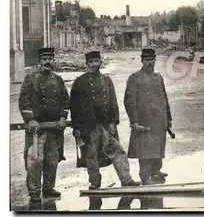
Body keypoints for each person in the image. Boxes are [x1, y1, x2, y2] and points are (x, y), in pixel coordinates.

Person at [69, 51, 141, 189]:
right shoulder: (79, 82)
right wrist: (77, 127)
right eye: (90, 62)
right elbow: (74, 106)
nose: (93, 65)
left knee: (117, 151)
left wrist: (114, 122)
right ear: (86, 64)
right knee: (91, 155)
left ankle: (126, 179)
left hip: (106, 124)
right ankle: (94, 182)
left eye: (96, 61)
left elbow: (113, 102)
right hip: (88, 126)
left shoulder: (107, 80)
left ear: (100, 62)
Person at [18, 47, 69, 203]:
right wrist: (30, 120)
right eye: (44, 59)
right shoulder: (30, 78)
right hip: (36, 129)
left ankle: (48, 188)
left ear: (53, 60)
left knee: (52, 159)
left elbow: (65, 101)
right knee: (35, 160)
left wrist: (62, 118)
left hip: (54, 128)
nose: (47, 62)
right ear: (39, 61)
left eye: (50, 59)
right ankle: (34, 191)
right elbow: (23, 101)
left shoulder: (58, 79)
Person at [124, 48, 172, 185]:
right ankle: (145, 176)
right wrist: (134, 121)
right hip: (144, 120)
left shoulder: (158, 77)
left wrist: (168, 119)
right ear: (142, 61)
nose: (149, 63)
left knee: (158, 146)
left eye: (152, 60)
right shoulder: (135, 78)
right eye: (146, 60)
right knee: (145, 149)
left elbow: (164, 98)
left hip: (159, 120)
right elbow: (129, 101)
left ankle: (156, 170)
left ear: (155, 60)